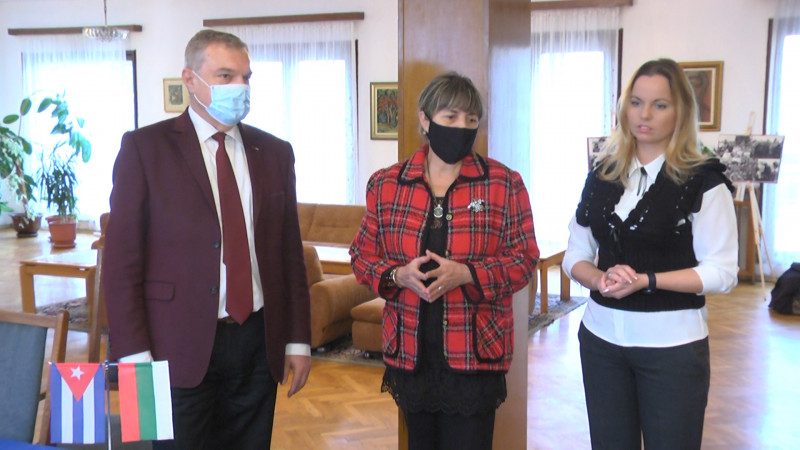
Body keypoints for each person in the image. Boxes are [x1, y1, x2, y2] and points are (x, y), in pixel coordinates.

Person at [103, 29, 311, 449]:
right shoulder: (144, 149)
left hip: (257, 343)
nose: (240, 87)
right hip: (170, 347)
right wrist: (133, 357)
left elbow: (289, 256)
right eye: (226, 76)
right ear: (190, 79)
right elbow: (121, 265)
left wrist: (298, 340)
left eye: (246, 77)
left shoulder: (275, 152)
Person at [350, 72, 539, 450]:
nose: (462, 127)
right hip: (411, 352)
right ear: (425, 119)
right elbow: (361, 256)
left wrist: (468, 273)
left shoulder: (503, 183)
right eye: (450, 117)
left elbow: (524, 259)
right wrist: (397, 275)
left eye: (471, 119)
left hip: (475, 353)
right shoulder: (386, 184)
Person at [562, 58, 738, 449]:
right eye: (636, 102)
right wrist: (600, 279)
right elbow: (575, 255)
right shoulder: (602, 174)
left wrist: (647, 281)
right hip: (600, 341)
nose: (644, 115)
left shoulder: (705, 182)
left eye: (660, 105)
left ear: (681, 112)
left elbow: (723, 272)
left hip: (672, 349)